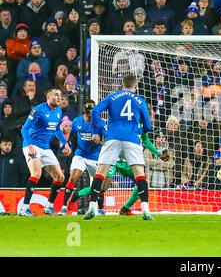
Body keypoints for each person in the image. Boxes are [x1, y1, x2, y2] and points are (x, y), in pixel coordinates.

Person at [84, 75, 153, 220]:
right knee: (140, 174)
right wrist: (138, 132)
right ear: (136, 86)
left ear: (122, 85)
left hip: (112, 137)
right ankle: (146, 210)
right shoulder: (140, 100)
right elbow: (148, 126)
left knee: (100, 172)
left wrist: (96, 131)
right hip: (131, 139)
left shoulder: (113, 96)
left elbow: (95, 111)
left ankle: (92, 207)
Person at [19, 88, 72, 216]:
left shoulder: (59, 110)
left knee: (60, 177)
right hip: (32, 145)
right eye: (56, 95)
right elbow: (25, 129)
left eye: (60, 95)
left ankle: (49, 206)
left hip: (45, 147)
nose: (59, 97)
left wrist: (65, 143)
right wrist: (30, 145)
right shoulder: (39, 110)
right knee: (36, 173)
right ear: (48, 98)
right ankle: (24, 208)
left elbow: (57, 130)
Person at [58, 100, 106, 215]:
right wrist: (68, 145)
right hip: (80, 154)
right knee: (73, 177)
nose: (90, 115)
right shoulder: (77, 121)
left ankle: (99, 209)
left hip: (95, 156)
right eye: (88, 113)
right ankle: (64, 207)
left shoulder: (100, 122)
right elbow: (72, 136)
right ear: (84, 112)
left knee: (100, 183)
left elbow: (107, 138)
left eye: (92, 113)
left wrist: (100, 140)